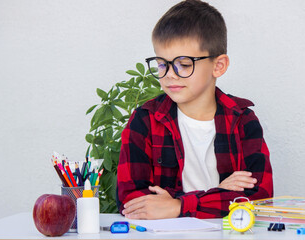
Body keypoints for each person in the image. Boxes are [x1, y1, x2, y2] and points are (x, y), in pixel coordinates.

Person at [116, 0, 273, 220]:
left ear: (218, 66)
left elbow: (258, 198)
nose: (169, 74)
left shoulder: (243, 120)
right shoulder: (145, 121)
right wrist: (219, 192)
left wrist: (178, 206)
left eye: (184, 64)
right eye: (162, 64)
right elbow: (132, 201)